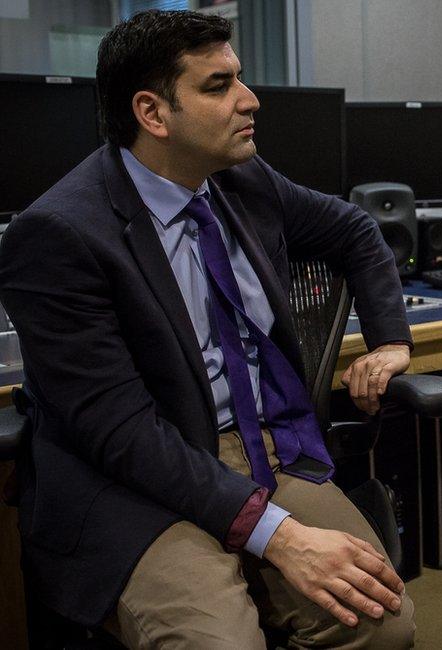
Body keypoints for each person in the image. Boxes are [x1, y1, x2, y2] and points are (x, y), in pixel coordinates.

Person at [0, 10, 415, 649]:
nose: (249, 101)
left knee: (380, 623)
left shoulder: (240, 179)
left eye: (240, 79)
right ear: (153, 113)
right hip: (139, 476)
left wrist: (390, 340)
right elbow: (121, 433)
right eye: (219, 86)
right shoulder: (60, 235)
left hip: (261, 442)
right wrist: (281, 536)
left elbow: (356, 231)